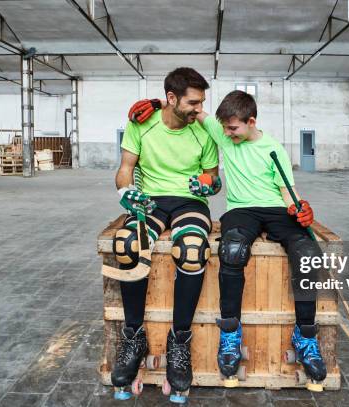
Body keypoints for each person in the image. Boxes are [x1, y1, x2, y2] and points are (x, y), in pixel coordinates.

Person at [128, 90, 327, 390]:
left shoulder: (273, 149)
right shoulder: (224, 134)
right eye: (224, 128)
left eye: (233, 128)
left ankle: (306, 335)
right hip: (241, 209)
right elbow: (187, 109)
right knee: (232, 251)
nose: (227, 134)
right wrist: (156, 104)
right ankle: (230, 334)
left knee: (307, 252)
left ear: (251, 122)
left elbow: (287, 191)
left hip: (275, 208)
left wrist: (301, 208)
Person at [112, 67, 220, 400]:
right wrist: (125, 193)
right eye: (193, 102)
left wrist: (208, 184)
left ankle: (179, 342)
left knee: (191, 249)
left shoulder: (202, 130)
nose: (199, 109)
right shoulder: (141, 122)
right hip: (151, 199)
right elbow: (125, 170)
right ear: (171, 98)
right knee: (127, 244)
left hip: (190, 202)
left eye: (201, 102)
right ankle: (134, 337)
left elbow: (213, 180)